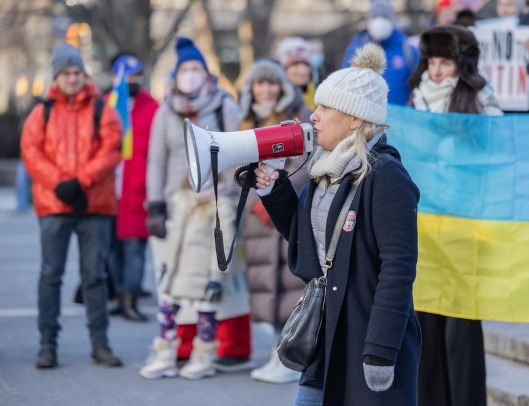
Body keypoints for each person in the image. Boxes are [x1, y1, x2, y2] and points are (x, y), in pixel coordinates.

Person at [255, 43, 421, 405]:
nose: (313, 116)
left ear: (355, 118)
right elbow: (309, 243)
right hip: (326, 337)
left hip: (367, 342)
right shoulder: (325, 169)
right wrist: (274, 191)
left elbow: (399, 268)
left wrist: (379, 351)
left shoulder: (387, 176)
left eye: (325, 107)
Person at [408, 25, 502, 406]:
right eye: (432, 61)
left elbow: (497, 147)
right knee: (426, 319)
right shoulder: (415, 100)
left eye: (445, 62)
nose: (437, 70)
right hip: (425, 224)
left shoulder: (480, 97)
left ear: (460, 63)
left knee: (461, 324)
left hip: (465, 223)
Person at [145, 37, 252, 372]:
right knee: (173, 279)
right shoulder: (165, 112)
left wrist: (227, 191)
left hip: (214, 206)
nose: (190, 75)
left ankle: (209, 349)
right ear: (175, 75)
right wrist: (155, 205)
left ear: (207, 74)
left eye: (196, 69)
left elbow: (239, 155)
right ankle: (172, 348)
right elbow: (156, 161)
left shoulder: (223, 105)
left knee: (211, 278)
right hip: (177, 206)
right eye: (184, 70)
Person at [21, 42, 123, 369]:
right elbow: (31, 152)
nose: (73, 78)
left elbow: (111, 150)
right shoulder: (41, 113)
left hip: (95, 205)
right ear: (57, 75)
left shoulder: (102, 110)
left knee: (94, 277)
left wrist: (80, 182)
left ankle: (100, 344)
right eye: (67, 72)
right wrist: (60, 184)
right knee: (50, 276)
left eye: (78, 72)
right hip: (53, 206)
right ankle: (46, 345)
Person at [237, 58, 311, 384]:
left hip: (285, 209)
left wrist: (278, 195)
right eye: (259, 83)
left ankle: (291, 355)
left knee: (290, 285)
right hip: (257, 216)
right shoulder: (245, 120)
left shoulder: (298, 115)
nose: (266, 90)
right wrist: (257, 199)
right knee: (266, 286)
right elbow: (236, 169)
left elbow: (306, 164)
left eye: (272, 83)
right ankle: (275, 350)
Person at [139, 173, 242, 379]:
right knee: (167, 311)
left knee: (205, 316)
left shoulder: (221, 202)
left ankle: (203, 359)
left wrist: (217, 276)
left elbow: (224, 244)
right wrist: (167, 265)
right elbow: (174, 237)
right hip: (178, 271)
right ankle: (165, 357)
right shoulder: (182, 198)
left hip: (203, 272)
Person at [106, 54, 159, 321]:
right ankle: (118, 294)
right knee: (111, 249)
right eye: (128, 77)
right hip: (110, 191)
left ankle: (130, 298)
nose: (133, 81)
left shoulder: (153, 108)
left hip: (138, 191)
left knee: (134, 249)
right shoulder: (106, 105)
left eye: (137, 76)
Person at [341, 0, 417, 105]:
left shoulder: (408, 50)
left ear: (392, 21)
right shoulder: (356, 49)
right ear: (368, 21)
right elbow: (344, 83)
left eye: (385, 17)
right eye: (375, 16)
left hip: (400, 117)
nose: (380, 21)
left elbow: (417, 86)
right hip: (366, 116)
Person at [276, 37, 317, 110]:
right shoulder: (275, 101)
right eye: (295, 65)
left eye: (306, 64)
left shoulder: (318, 95)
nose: (303, 71)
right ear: (283, 70)